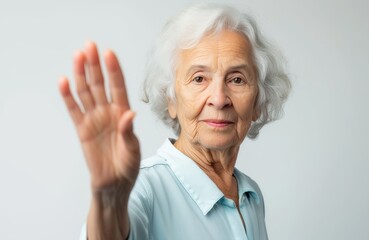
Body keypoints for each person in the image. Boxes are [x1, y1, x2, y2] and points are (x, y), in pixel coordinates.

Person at [59, 3, 291, 240]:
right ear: (170, 99)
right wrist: (109, 200)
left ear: (258, 102)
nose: (219, 99)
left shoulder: (251, 195)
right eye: (199, 78)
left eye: (237, 79)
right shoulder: (142, 188)